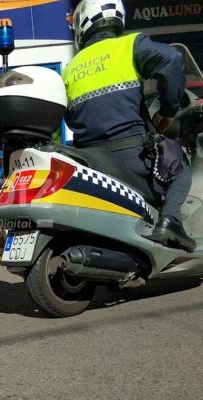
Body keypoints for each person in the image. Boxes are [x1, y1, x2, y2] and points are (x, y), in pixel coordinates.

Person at [63, 0, 195, 251]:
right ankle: (170, 222)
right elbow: (172, 60)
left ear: (82, 25)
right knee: (180, 169)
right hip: (133, 157)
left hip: (90, 162)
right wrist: (167, 112)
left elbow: (71, 117)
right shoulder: (129, 45)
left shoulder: (70, 69)